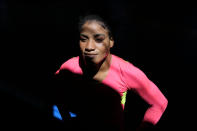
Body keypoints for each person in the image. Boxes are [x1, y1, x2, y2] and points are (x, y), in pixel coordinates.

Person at [53, 14, 168, 131]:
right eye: (83, 39)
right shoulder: (69, 68)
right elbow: (56, 93)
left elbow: (160, 103)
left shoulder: (126, 72)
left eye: (98, 39)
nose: (89, 47)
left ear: (111, 41)